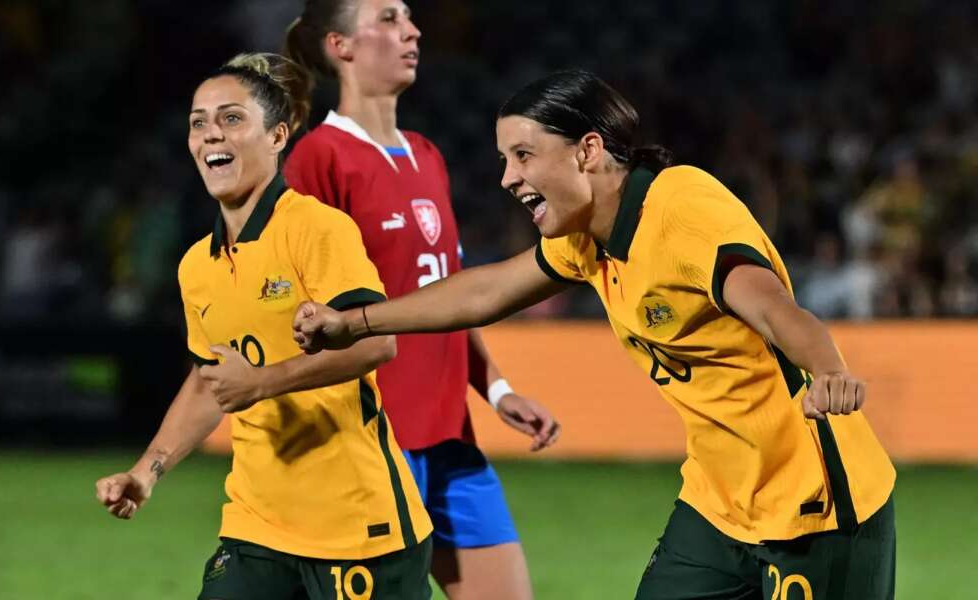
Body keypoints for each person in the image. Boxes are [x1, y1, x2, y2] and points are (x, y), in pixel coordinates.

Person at [292, 70, 897, 600]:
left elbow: (774, 309)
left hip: (814, 504)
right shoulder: (587, 236)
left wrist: (828, 371)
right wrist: (356, 321)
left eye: (524, 156)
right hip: (719, 503)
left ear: (587, 150)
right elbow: (486, 292)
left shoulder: (682, 213)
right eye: (505, 159)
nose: (507, 177)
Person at [94, 52, 434, 600]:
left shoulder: (316, 229)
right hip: (256, 526)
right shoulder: (196, 266)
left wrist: (264, 381)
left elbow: (377, 344)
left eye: (231, 118)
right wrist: (147, 471)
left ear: (277, 136)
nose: (210, 134)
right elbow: (212, 377)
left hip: (357, 528)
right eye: (198, 122)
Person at [281, 2, 560, 598]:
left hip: (450, 438)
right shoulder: (317, 159)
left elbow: (449, 290)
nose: (412, 30)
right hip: (373, 442)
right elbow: (302, 314)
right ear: (341, 46)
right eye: (387, 18)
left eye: (408, 17)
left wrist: (497, 389)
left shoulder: (426, 153)